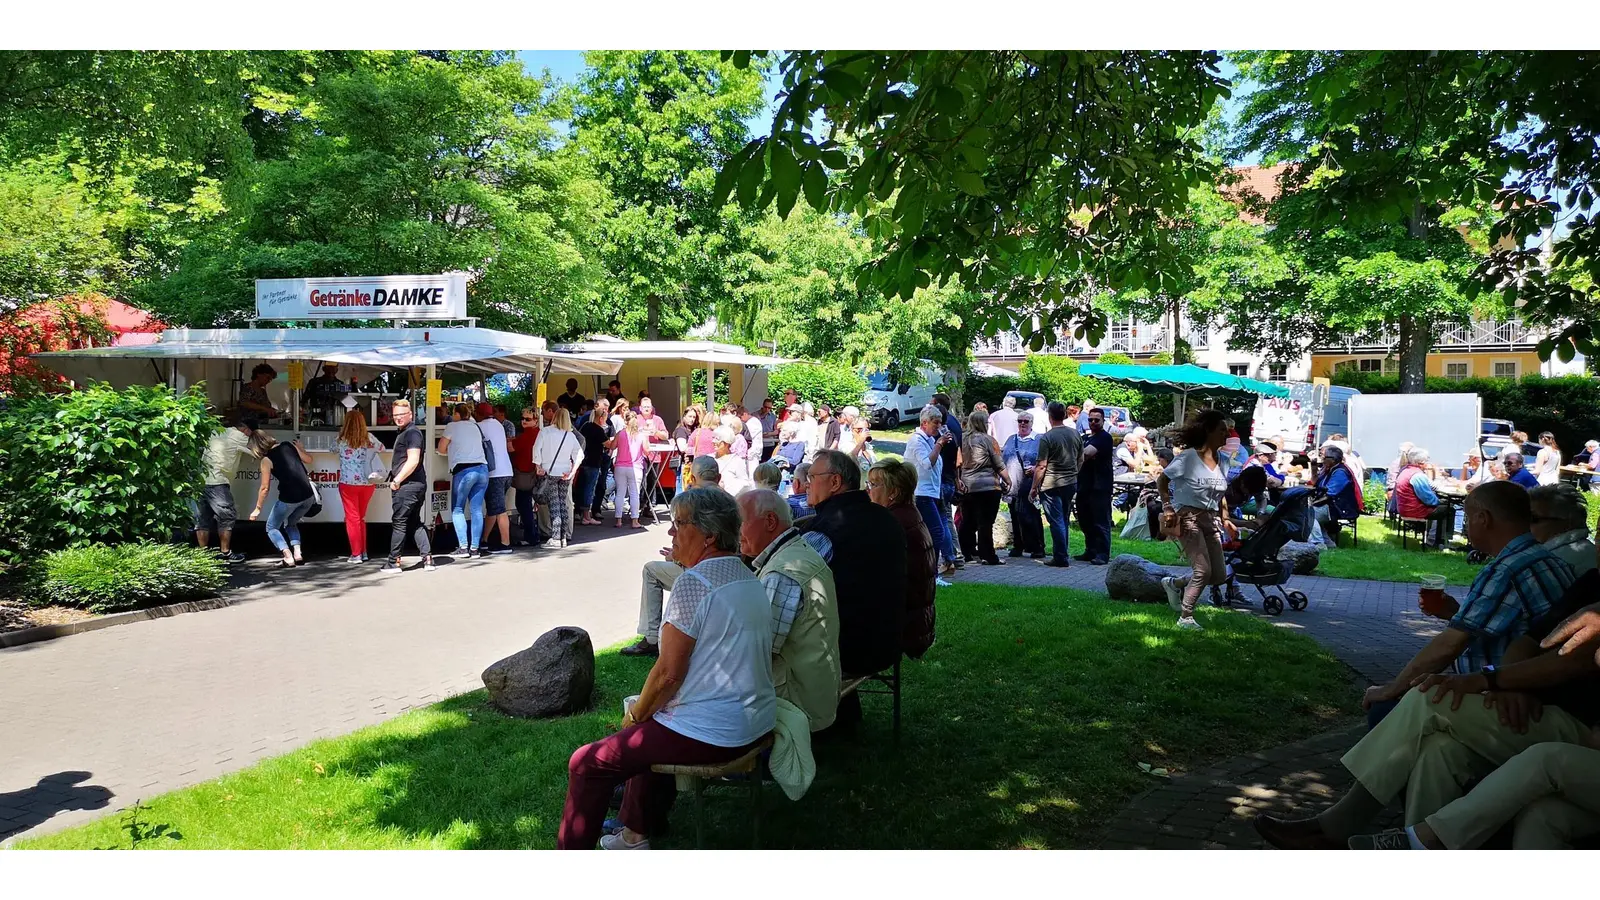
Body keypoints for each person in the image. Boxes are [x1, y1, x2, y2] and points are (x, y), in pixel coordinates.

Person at [1259, 535, 1600, 850]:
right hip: (1546, 713)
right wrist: (1513, 681)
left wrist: (1492, 680)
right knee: (1439, 749)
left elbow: (1573, 661)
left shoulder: (1517, 566)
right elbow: (1531, 640)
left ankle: (1345, 826)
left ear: (1483, 518)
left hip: (1571, 727)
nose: (1596, 541)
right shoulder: (1589, 582)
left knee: (1426, 697)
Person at [558, 489, 775, 850]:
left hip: (716, 733)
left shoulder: (694, 583)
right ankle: (635, 833)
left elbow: (668, 675)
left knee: (586, 762)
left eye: (678, 525)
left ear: (708, 535)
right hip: (755, 718)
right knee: (649, 725)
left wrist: (638, 714)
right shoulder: (747, 574)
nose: (671, 533)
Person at [1359, 480, 1575, 727]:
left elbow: (1449, 645)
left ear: (1484, 519)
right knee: (1432, 745)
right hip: (1529, 690)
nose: (1467, 527)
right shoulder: (1546, 559)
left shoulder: (1508, 569)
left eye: (1468, 518)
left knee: (1386, 711)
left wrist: (1391, 689)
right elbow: (1513, 625)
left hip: (1514, 698)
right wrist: (1455, 613)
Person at [799, 450, 908, 724]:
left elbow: (792, 588)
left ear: (835, 482)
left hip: (847, 649)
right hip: (888, 639)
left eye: (812, 476)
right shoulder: (885, 518)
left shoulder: (824, 532)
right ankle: (844, 716)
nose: (805, 482)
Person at [738, 489, 842, 732]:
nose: (736, 532)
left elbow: (758, 651)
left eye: (740, 522)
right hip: (814, 689)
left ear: (770, 521)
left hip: (797, 702)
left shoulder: (782, 574)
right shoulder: (796, 550)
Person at [1156, 409, 1232, 630]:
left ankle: (1174, 583)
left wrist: (1225, 518)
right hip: (1189, 518)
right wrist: (1168, 507)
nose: (1226, 436)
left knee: (1218, 574)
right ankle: (1185, 617)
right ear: (1208, 431)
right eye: (1222, 431)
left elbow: (1221, 493)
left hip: (1211, 520)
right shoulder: (1188, 457)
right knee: (1202, 570)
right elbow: (1162, 480)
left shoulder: (1224, 460)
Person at [868, 458, 937, 659]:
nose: (868, 490)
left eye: (874, 485)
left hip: (902, 626)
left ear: (894, 492)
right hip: (915, 620)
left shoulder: (893, 523)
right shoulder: (908, 515)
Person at [380, 400, 434, 574]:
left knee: (399, 522)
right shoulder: (408, 432)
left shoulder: (412, 433)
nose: (398, 418)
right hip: (416, 485)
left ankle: (393, 562)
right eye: (395, 415)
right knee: (414, 522)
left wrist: (397, 480)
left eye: (401, 415)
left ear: (410, 414)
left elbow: (413, 460)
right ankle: (428, 559)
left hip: (408, 486)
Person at [248, 430, 316, 568]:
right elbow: (309, 459)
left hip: (289, 498)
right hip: (308, 496)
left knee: (271, 527)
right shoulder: (287, 445)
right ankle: (298, 553)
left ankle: (287, 556)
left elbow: (264, 488)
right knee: (291, 524)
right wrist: (301, 448)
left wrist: (257, 508)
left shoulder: (266, 460)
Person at [193, 417, 254, 563]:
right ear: (246, 430)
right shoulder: (240, 436)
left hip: (202, 479)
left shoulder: (217, 431)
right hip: (218, 481)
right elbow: (257, 452)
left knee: (203, 519)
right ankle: (226, 553)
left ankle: (203, 555)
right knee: (227, 516)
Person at [1031, 401, 1082, 569]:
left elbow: (1041, 465)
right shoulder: (1075, 434)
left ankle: (1060, 557)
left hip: (1051, 484)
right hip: (1070, 482)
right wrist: (1074, 473)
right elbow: (1080, 459)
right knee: (1064, 519)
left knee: (1056, 521)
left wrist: (1033, 488)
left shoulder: (1047, 437)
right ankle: (1062, 553)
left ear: (1049, 416)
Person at [956, 408, 1010, 566]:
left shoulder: (961, 439)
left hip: (967, 486)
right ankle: (988, 556)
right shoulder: (989, 440)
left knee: (967, 522)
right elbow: (999, 464)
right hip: (988, 487)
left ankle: (966, 553)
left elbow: (957, 463)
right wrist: (1008, 480)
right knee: (985, 523)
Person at [908, 405, 959, 575]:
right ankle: (931, 572)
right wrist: (938, 445)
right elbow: (926, 463)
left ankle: (935, 568)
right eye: (935, 423)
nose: (938, 426)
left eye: (940, 423)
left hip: (933, 493)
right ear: (924, 423)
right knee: (936, 532)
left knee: (938, 529)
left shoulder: (929, 439)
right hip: (921, 493)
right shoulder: (917, 440)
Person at [435, 402, 489, 559]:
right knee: (476, 510)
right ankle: (475, 549)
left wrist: (451, 451)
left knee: (458, 509)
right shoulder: (476, 426)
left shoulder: (452, 426)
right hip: (482, 469)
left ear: (457, 414)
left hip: (464, 471)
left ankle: (463, 548)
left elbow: (441, 448)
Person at [333, 408, 385, 562]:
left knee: (352, 519)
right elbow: (382, 448)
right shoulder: (369, 438)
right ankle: (363, 552)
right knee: (361, 518)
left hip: (348, 483)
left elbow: (331, 450)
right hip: (368, 483)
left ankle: (356, 554)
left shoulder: (341, 440)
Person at [531, 408, 584, 548]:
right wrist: (572, 472)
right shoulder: (570, 435)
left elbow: (536, 449)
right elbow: (579, 455)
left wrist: (538, 466)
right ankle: (564, 536)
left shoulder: (545, 432)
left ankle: (555, 538)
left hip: (550, 471)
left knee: (554, 505)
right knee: (563, 504)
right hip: (565, 473)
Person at [1074, 406, 1114, 566]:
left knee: (1100, 521)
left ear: (1103, 421)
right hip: (1084, 485)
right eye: (1090, 419)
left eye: (1096, 420)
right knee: (1085, 519)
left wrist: (1074, 456)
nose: (1093, 422)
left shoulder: (1104, 437)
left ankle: (1103, 553)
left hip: (1100, 486)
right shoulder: (1085, 437)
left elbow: (1085, 454)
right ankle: (1090, 550)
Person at [474, 403, 515, 554]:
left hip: (494, 473)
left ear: (479, 414)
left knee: (500, 509)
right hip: (507, 471)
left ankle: (505, 544)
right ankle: (484, 540)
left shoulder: (479, 426)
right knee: (493, 508)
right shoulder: (499, 425)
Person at [1003, 411, 1045, 559]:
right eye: (1020, 421)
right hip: (1012, 484)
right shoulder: (1011, 439)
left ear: (1031, 423)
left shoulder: (1039, 439)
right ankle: (1018, 545)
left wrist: (1034, 468)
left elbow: (1045, 460)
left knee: (1030, 515)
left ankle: (1037, 546)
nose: (1022, 424)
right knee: (1015, 514)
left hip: (1029, 483)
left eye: (1026, 421)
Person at [1529, 483, 1595, 576]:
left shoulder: (1555, 561)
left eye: (1533, 518)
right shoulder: (1589, 550)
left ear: (1567, 522)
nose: (1524, 525)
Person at [1395, 448, 1456, 547]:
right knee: (1449, 508)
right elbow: (1429, 500)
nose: (1428, 463)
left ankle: (1433, 537)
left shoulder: (1406, 470)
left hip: (1405, 508)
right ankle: (1440, 541)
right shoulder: (1417, 475)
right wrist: (1439, 501)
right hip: (1414, 510)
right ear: (1421, 463)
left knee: (1442, 506)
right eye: (1426, 461)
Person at [933, 393, 963, 562]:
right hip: (950, 478)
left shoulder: (940, 437)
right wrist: (957, 478)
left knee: (943, 520)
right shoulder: (953, 429)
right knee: (946, 518)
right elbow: (959, 458)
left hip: (942, 480)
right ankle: (954, 554)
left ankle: (953, 555)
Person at [1312, 444, 1364, 544]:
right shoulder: (1329, 469)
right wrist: (1313, 467)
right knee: (1306, 512)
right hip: (1330, 505)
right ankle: (1328, 543)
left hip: (1340, 508)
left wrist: (1312, 504)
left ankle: (1318, 543)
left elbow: (1329, 495)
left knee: (1309, 514)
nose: (1322, 459)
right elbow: (1316, 484)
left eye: (1324, 457)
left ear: (1333, 460)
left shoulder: (1340, 472)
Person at [609, 411, 648, 528]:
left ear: (625, 421)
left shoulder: (620, 433)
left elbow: (612, 446)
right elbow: (647, 450)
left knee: (620, 492)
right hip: (635, 468)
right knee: (634, 493)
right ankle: (634, 521)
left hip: (620, 467)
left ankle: (618, 520)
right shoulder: (642, 435)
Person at [511, 406, 543, 545]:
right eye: (522, 418)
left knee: (523, 505)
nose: (524, 421)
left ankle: (531, 536)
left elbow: (511, 447)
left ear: (535, 420)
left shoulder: (528, 435)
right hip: (532, 472)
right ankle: (531, 534)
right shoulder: (538, 433)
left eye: (528, 419)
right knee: (526, 505)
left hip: (524, 473)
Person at [711, 424, 752, 496]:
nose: (713, 441)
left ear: (726, 442)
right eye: (713, 438)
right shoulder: (709, 458)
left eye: (717, 439)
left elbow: (745, 486)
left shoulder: (737, 461)